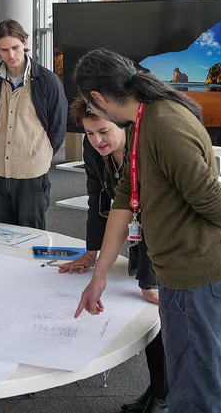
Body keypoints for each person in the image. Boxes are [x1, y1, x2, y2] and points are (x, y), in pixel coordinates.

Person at [73, 49, 221, 412]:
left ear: (98, 98)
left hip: (199, 278)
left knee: (197, 396)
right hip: (177, 277)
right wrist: (99, 278)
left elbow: (213, 202)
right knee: (186, 386)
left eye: (90, 105)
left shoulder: (163, 123)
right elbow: (125, 198)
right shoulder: (143, 122)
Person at [61, 97, 168, 413]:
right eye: (90, 134)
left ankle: (165, 397)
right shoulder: (93, 147)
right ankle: (158, 391)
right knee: (151, 318)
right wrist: (91, 253)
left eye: (103, 132)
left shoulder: (147, 149)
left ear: (123, 123)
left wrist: (150, 279)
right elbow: (98, 198)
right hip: (137, 231)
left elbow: (156, 218)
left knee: (163, 316)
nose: (97, 141)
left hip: (169, 242)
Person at [0, 18, 67, 230]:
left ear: (25, 43)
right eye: (5, 50)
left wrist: (41, 154)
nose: (11, 55)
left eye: (16, 47)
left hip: (31, 173)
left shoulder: (48, 81)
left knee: (31, 237)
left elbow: (58, 127)